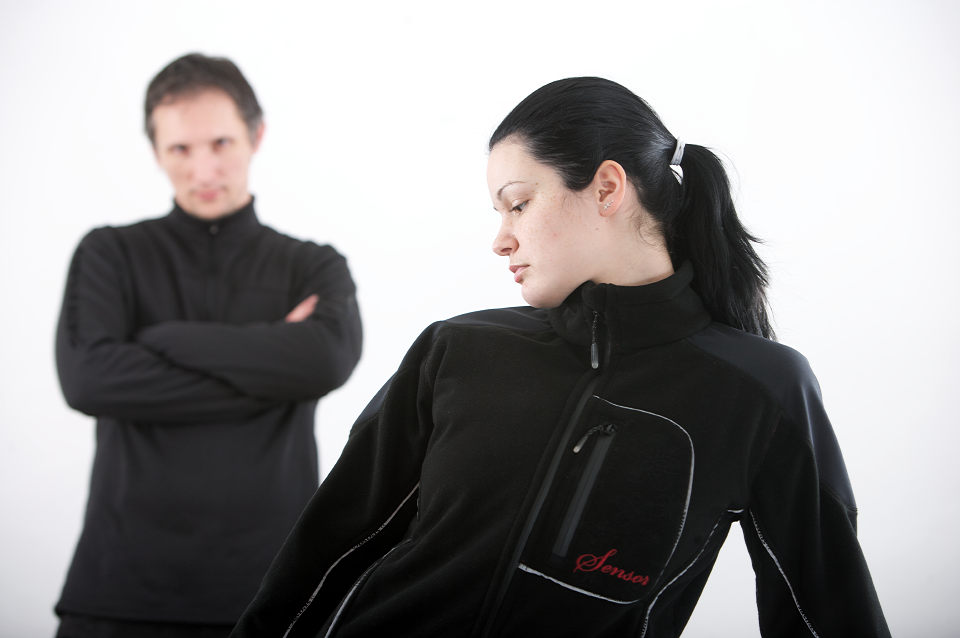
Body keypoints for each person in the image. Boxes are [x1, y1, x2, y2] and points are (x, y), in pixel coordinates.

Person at [229, 77, 889, 637]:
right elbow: (326, 553)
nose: (500, 239)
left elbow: (825, 612)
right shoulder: (455, 350)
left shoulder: (760, 390)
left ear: (606, 188)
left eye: (517, 204)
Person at [54, 53, 362, 637]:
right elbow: (88, 380)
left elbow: (325, 361)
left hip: (273, 594)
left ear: (256, 136)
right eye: (180, 149)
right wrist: (273, 369)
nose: (203, 169)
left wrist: (161, 340)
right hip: (119, 591)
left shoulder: (313, 266)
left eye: (221, 143)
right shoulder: (109, 254)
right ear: (156, 152)